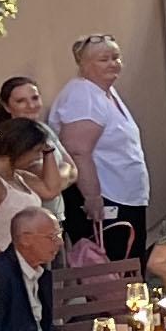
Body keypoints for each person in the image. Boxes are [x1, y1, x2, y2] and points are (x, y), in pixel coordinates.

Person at [48, 33, 151, 257]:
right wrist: (92, 198)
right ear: (83, 64)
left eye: (116, 57)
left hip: (124, 196)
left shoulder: (104, 91)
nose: (113, 63)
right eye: (104, 59)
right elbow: (77, 151)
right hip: (106, 199)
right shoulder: (82, 96)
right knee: (112, 264)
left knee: (130, 261)